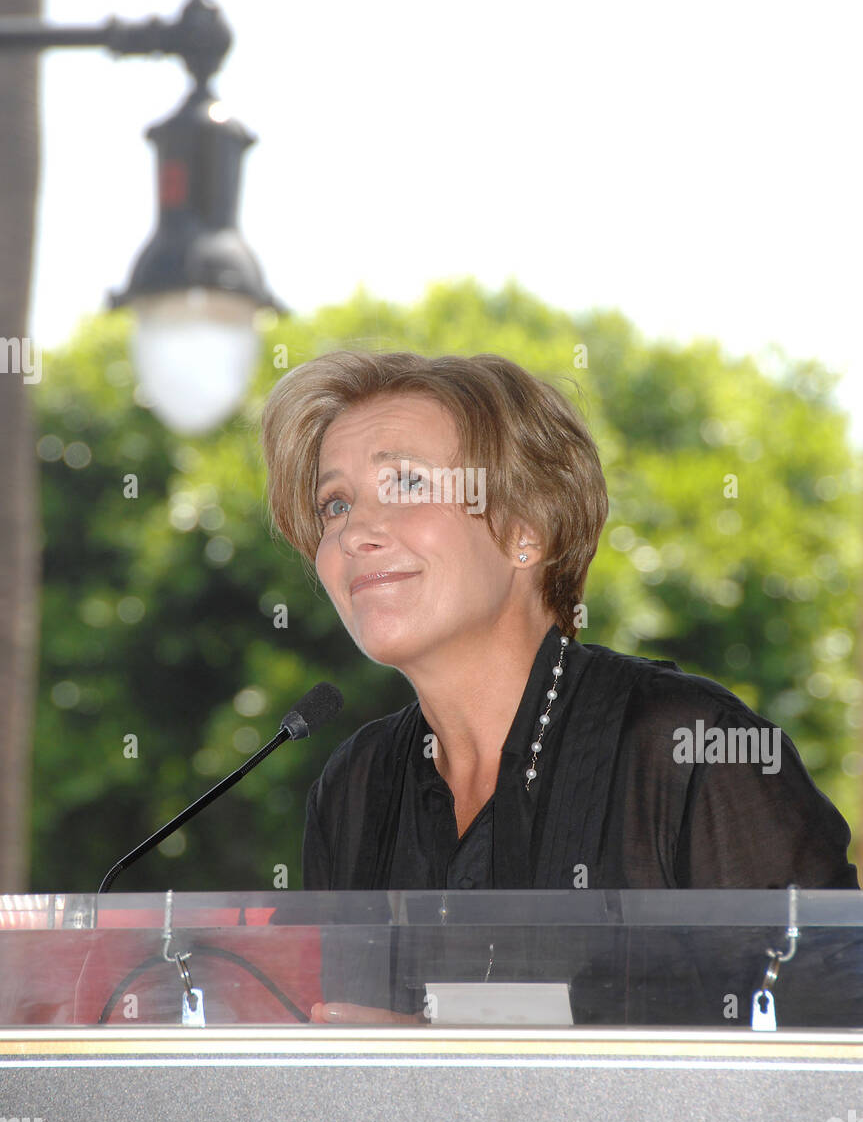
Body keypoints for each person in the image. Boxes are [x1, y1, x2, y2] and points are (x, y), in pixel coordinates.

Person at [261, 350, 859, 1020]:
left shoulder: (687, 750)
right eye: (334, 503)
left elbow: (833, 1043)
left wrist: (465, 1066)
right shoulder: (356, 786)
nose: (353, 534)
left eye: (404, 485)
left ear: (525, 532)